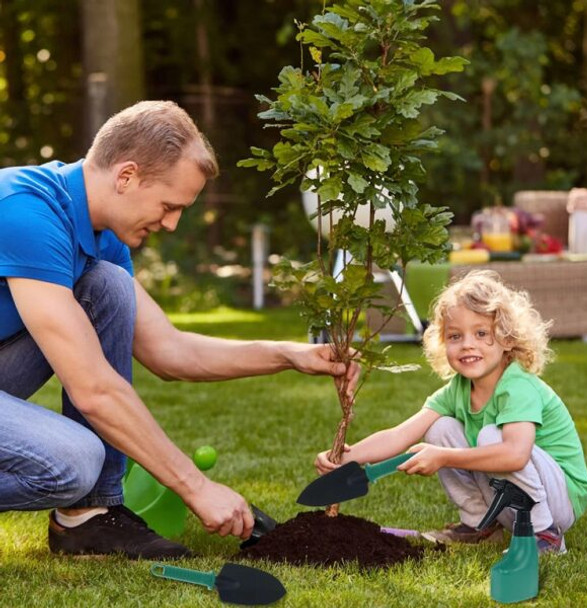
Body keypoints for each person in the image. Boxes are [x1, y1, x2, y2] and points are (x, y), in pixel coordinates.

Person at [0, 100, 359, 559]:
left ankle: (87, 519)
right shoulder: (25, 210)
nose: (171, 223)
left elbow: (170, 352)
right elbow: (92, 388)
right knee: (74, 460)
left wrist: (289, 354)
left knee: (108, 286)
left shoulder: (103, 238)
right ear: (126, 177)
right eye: (170, 206)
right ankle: (86, 502)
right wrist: (196, 486)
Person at [315, 270, 587, 554]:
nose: (467, 344)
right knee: (440, 428)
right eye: (455, 336)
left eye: (481, 333)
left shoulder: (517, 386)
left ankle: (545, 535)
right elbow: (400, 434)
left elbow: (515, 454)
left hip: (560, 501)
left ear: (507, 339)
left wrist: (443, 457)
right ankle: (480, 525)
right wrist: (347, 458)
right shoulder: (458, 390)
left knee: (490, 436)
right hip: (515, 500)